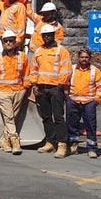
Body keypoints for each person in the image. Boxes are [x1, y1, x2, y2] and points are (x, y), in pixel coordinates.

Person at [30, 24, 73, 158]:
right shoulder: (38, 51)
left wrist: (60, 85)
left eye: (49, 34)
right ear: (42, 36)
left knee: (58, 117)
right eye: (44, 35)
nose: (47, 37)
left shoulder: (61, 50)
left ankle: (62, 144)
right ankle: (50, 141)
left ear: (54, 35)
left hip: (56, 88)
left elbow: (66, 69)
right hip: (42, 88)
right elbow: (34, 69)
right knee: (46, 117)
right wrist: (34, 85)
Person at [0, 30, 31, 154]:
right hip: (3, 91)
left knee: (11, 117)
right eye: (6, 41)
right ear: (2, 43)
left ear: (15, 42)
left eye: (11, 40)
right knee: (10, 117)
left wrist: (26, 87)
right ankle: (15, 141)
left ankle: (5, 141)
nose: (8, 43)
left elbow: (26, 74)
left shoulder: (23, 56)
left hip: (18, 91)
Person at [66, 48, 101, 158]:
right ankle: (72, 147)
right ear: (78, 58)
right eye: (82, 57)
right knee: (71, 125)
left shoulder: (95, 71)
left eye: (86, 57)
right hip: (73, 101)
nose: (84, 59)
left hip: (89, 103)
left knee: (90, 126)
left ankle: (92, 148)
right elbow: (65, 83)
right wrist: (67, 98)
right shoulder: (72, 69)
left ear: (90, 58)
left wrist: (96, 100)